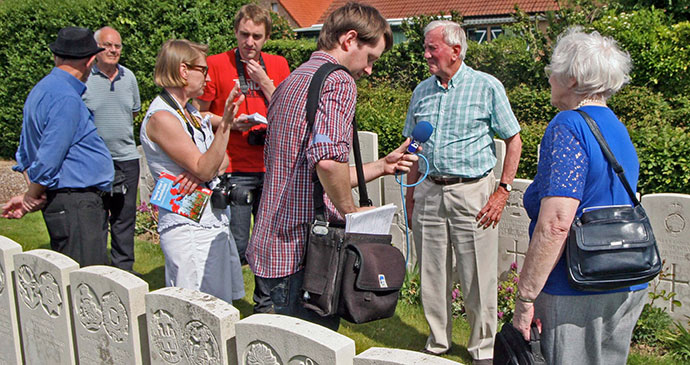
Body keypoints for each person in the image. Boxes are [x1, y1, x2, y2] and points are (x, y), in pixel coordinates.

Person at [247, 2, 417, 330]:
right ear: (349, 39)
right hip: (308, 254)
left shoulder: (293, 79)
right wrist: (353, 212)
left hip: (273, 248)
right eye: (370, 58)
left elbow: (316, 173)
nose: (369, 70)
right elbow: (327, 161)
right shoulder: (338, 81)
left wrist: (381, 166)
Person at [513, 27, 646, 365]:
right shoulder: (615, 125)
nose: (549, 79)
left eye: (552, 71)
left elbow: (557, 223)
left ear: (571, 79)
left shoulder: (568, 125)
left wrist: (525, 298)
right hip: (623, 279)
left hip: (575, 285)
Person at [404, 20, 522, 363]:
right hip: (427, 190)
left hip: (472, 193)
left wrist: (502, 191)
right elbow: (414, 145)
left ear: (456, 50)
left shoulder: (487, 87)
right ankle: (438, 343)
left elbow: (513, 139)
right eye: (426, 48)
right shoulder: (421, 91)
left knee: (477, 277)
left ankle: (482, 350)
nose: (426, 54)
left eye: (432, 48)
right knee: (431, 272)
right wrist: (411, 195)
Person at [196, 4, 290, 314]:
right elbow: (197, 113)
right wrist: (227, 123)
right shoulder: (216, 63)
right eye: (245, 35)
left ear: (267, 38)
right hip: (234, 166)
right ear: (236, 32)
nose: (250, 43)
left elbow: (288, 110)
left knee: (269, 242)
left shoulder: (277, 65)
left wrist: (264, 80)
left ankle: (265, 305)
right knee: (236, 242)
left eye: (257, 37)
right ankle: (224, 300)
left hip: (270, 166)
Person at [139, 39, 245, 303]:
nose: (208, 79)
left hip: (211, 219)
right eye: (204, 70)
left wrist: (198, 171)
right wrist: (226, 124)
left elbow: (222, 161)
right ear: (184, 70)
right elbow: (209, 165)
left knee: (219, 305)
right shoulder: (162, 117)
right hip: (187, 224)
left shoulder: (192, 113)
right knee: (195, 306)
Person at [2, 27, 113, 266]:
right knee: (86, 284)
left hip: (67, 201)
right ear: (91, 61)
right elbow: (49, 156)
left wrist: (30, 194)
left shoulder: (41, 89)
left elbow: (26, 149)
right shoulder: (67, 98)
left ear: (56, 56)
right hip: (77, 204)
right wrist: (32, 196)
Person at [83, 26, 142, 275]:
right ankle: (97, 272)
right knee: (96, 219)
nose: (113, 50)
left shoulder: (129, 78)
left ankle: (124, 272)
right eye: (107, 45)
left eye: (117, 45)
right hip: (94, 160)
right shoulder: (84, 78)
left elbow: (134, 110)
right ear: (96, 49)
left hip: (127, 158)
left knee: (124, 219)